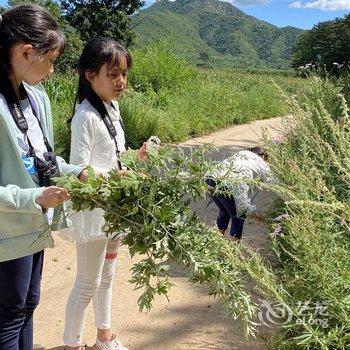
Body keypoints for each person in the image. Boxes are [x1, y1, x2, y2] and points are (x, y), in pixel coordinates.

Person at [0, 5, 88, 350]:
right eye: (50, 60)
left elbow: (43, 159)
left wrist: (77, 171)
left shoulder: (35, 97)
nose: (52, 70)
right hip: (9, 228)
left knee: (29, 303)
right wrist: (32, 198)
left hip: (35, 224)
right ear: (25, 52)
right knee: (8, 314)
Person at [62, 37, 147, 350]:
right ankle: (72, 344)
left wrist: (137, 157)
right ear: (90, 75)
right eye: (112, 74)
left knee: (107, 276)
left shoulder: (113, 108)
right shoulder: (85, 116)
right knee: (87, 283)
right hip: (93, 211)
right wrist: (116, 175)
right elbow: (78, 169)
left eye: (123, 74)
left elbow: (115, 156)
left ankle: (104, 337)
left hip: (113, 209)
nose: (121, 81)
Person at [206, 147, 274, 242]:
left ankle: (217, 243)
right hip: (227, 183)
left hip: (210, 178)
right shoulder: (260, 162)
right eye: (266, 158)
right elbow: (274, 183)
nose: (266, 161)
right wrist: (252, 211)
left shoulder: (241, 154)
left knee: (224, 211)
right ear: (262, 155)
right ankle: (232, 250)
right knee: (239, 215)